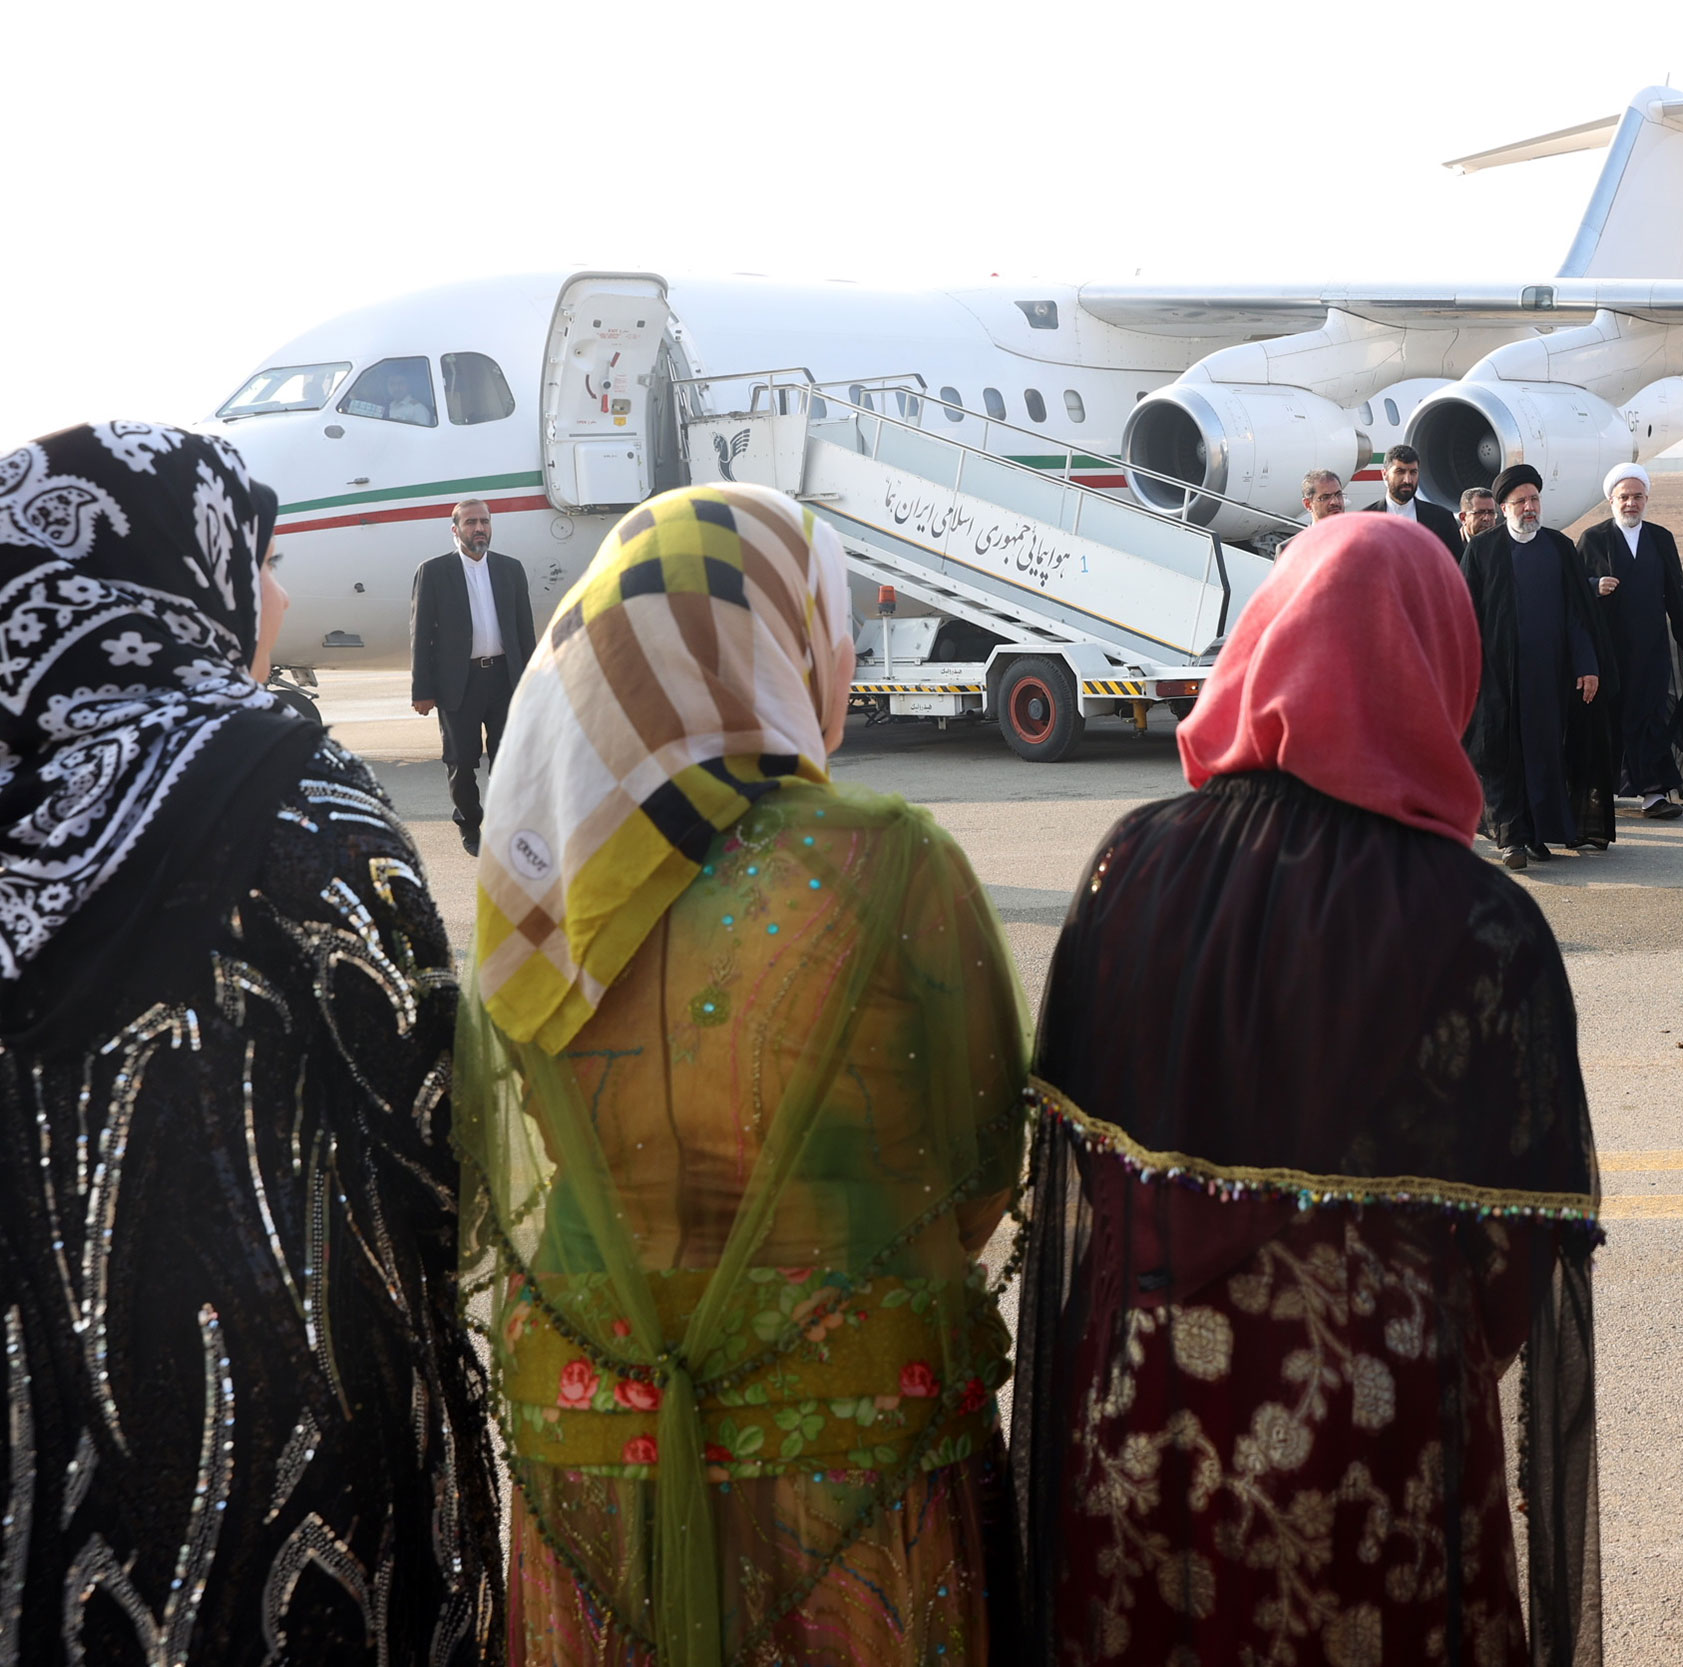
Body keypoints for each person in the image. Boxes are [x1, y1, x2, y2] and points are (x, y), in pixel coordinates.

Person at [1010, 511, 1602, 1667]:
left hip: (1149, 1415)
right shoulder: (1487, 923)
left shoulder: (1126, 864)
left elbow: (1078, 1180)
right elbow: (1508, 1269)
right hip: (1375, 1440)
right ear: (1442, 663)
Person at [458, 480, 1026, 1667]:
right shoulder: (889, 858)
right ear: (783, 632)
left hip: (589, 1429)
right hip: (852, 1439)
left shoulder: (545, 893)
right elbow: (980, 1163)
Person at [0, 422, 502, 1659]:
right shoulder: (281, 779)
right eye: (260, 557)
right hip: (279, 1438)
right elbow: (434, 1111)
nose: (277, 594)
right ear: (189, 576)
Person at [1460, 463, 1613, 868]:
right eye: (1521, 501)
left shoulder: (1560, 548)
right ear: (1504, 507)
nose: (1530, 507)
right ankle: (1512, 838)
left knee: (1545, 754)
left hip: (1549, 675)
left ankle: (1540, 832)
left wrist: (1587, 664)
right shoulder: (1482, 550)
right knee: (1502, 756)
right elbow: (1463, 614)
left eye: (1535, 499)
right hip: (1497, 677)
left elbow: (1578, 615)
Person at [1580, 462, 1683, 818]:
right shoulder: (1594, 539)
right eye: (1624, 497)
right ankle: (1600, 788)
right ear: (1611, 500)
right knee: (1608, 718)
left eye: (1637, 496)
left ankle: (1653, 792)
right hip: (1609, 652)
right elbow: (1571, 591)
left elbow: (1677, 595)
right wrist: (1593, 587)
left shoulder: (1660, 538)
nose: (1630, 503)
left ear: (1646, 498)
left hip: (1651, 649)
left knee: (1650, 715)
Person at [411, 498, 534, 855]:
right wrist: (422, 689)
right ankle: (470, 823)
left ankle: (507, 823)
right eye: (470, 523)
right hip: (458, 684)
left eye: (484, 521)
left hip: (504, 680)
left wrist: (533, 683)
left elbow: (524, 632)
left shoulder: (511, 569)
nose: (479, 528)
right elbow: (421, 636)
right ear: (455, 530)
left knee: (508, 758)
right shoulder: (433, 572)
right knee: (462, 761)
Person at [1363, 441, 1464, 557]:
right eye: (1400, 472)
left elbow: (1455, 568)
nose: (1408, 480)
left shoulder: (1442, 519)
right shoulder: (1365, 520)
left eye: (1413, 472)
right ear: (1384, 474)